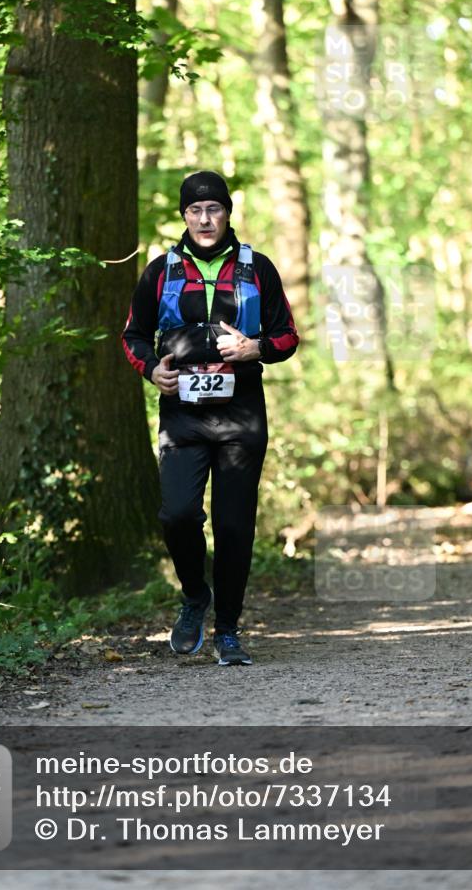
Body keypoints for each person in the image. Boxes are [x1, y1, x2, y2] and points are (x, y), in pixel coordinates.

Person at [122, 170, 299, 665]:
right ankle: (195, 595)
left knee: (234, 525)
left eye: (214, 209)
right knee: (177, 514)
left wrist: (255, 348)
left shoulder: (257, 268)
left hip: (242, 415)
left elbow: (287, 335)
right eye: (195, 210)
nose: (205, 219)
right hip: (182, 414)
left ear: (227, 213)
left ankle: (228, 630)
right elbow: (133, 336)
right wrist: (151, 369)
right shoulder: (161, 271)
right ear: (184, 216)